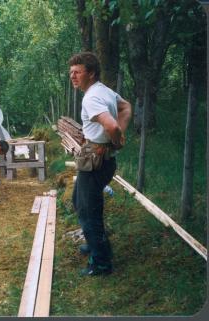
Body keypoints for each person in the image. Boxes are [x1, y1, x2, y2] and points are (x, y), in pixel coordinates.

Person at [69, 52, 132, 276]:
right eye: (71, 73)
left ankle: (102, 263)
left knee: (88, 213)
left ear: (91, 73)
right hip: (99, 161)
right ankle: (95, 243)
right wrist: (119, 135)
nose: (73, 77)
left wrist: (117, 140)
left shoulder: (92, 97)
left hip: (96, 163)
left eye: (77, 72)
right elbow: (126, 107)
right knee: (79, 200)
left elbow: (111, 126)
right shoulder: (104, 90)